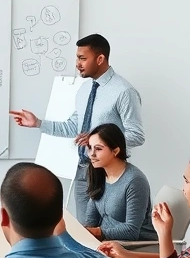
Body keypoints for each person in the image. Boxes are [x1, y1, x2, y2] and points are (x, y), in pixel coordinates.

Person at [10, 33, 144, 218]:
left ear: (100, 59)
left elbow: (136, 135)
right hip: (83, 171)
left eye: (82, 58)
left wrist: (97, 141)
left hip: (110, 175)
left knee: (106, 231)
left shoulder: (124, 91)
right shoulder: (84, 89)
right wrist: (38, 123)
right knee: (85, 230)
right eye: (77, 58)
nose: (77, 63)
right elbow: (74, 127)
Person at [82, 123, 156, 242]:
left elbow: (132, 231)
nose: (92, 154)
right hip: (108, 241)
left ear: (115, 151)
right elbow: (91, 221)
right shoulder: (98, 174)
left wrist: (99, 232)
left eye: (98, 149)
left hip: (134, 244)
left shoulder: (135, 181)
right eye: (90, 147)